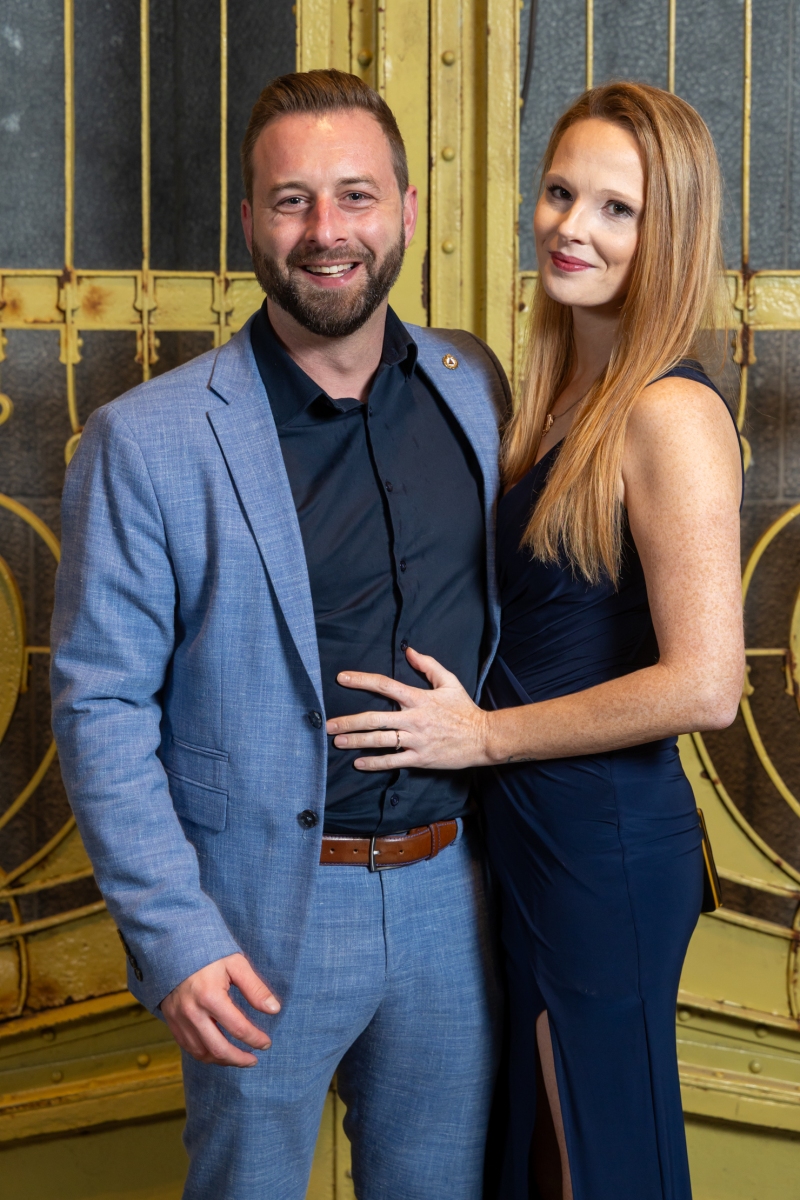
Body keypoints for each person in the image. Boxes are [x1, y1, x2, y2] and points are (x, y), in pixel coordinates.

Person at [50, 70, 510, 1200]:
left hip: (454, 900)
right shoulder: (146, 439)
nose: (325, 231)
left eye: (355, 195)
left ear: (406, 210)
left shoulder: (472, 388)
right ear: (251, 221)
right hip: (256, 917)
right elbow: (100, 704)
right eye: (292, 200)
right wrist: (175, 933)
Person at [325, 82, 745, 1200]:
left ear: (670, 233)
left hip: (601, 844)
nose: (571, 227)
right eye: (560, 192)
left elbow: (706, 686)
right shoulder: (560, 393)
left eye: (616, 208)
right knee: (546, 1157)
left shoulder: (667, 413)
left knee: (597, 1161)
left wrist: (482, 737)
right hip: (525, 836)